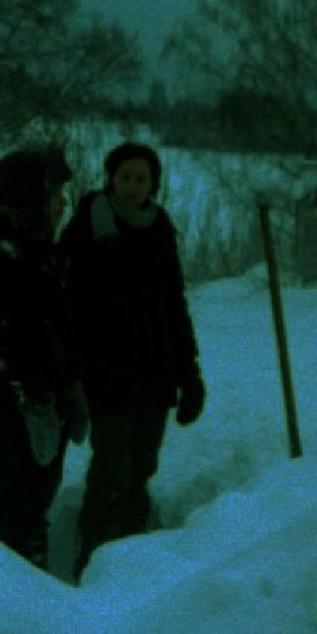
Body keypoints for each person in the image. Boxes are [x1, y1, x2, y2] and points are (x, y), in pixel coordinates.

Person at [60, 140, 206, 579]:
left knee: (141, 468)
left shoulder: (160, 229)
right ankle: (91, 563)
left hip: (154, 375)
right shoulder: (87, 225)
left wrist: (190, 375)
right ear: (111, 178)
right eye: (125, 176)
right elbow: (65, 304)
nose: (131, 186)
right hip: (104, 374)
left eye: (141, 179)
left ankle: (130, 567)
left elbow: (173, 306)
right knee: (111, 471)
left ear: (153, 185)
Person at [0, 147, 88, 570]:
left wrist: (67, 391)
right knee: (11, 519)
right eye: (54, 193)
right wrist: (47, 392)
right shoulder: (6, 259)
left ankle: (28, 599)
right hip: (16, 406)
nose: (63, 202)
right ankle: (5, 609)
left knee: (34, 507)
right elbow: (18, 344)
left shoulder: (42, 253)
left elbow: (61, 332)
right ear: (31, 199)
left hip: (39, 405)